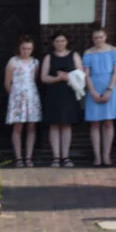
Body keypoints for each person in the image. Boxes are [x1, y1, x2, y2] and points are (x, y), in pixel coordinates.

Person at [40, 32, 83, 168]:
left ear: (66, 42)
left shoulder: (74, 55)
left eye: (63, 40)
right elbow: (44, 77)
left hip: (69, 93)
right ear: (53, 43)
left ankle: (66, 157)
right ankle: (56, 157)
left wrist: (68, 77)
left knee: (66, 124)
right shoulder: (49, 57)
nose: (60, 43)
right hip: (53, 94)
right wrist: (57, 79)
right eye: (57, 41)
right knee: (54, 125)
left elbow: (81, 74)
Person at [83, 28, 116, 167]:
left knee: (108, 122)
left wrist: (109, 90)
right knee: (94, 123)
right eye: (95, 38)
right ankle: (97, 156)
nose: (98, 40)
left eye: (100, 37)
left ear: (105, 37)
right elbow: (86, 74)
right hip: (94, 86)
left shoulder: (113, 51)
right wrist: (92, 91)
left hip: (110, 88)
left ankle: (107, 155)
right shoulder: (88, 53)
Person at [4, 35, 42, 167]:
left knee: (31, 126)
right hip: (17, 96)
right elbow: (7, 82)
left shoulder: (35, 62)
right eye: (24, 48)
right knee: (18, 126)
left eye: (29, 49)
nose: (26, 51)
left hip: (31, 95)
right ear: (19, 49)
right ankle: (18, 157)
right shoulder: (13, 62)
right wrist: (15, 95)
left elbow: (35, 78)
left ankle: (29, 156)